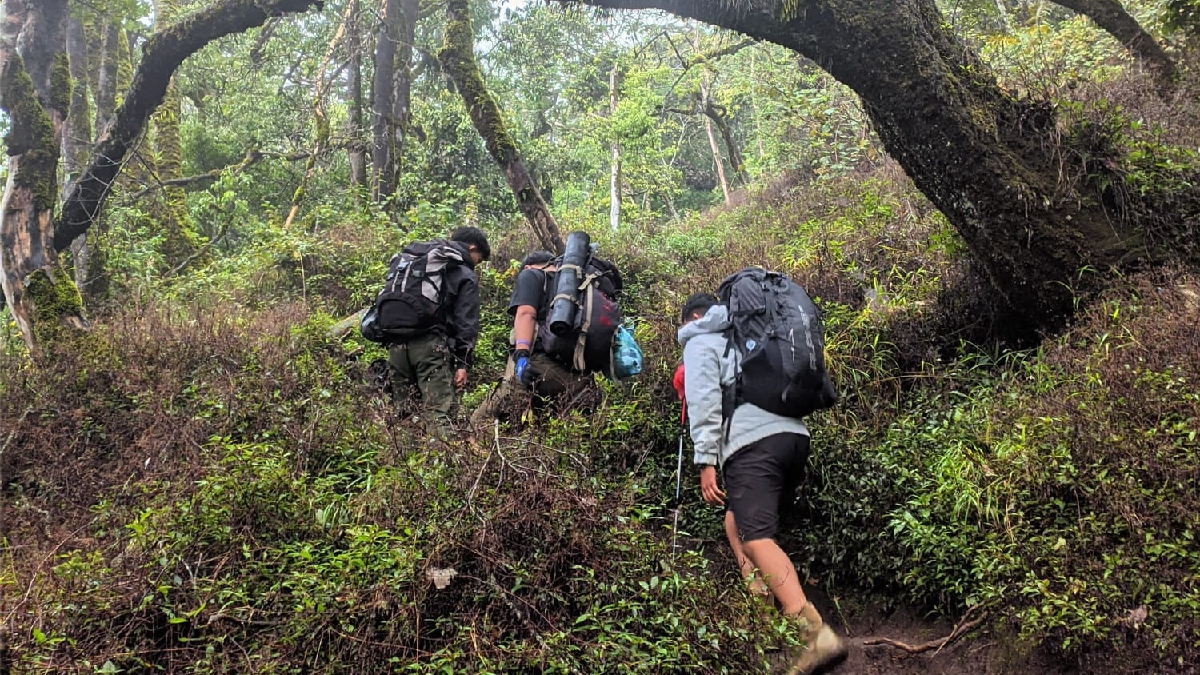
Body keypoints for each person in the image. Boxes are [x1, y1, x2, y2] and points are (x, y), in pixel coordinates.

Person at [678, 292, 847, 675]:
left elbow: (704, 399)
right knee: (737, 520)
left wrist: (705, 461)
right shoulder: (745, 334)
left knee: (757, 539)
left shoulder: (701, 339)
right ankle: (760, 615)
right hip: (792, 438)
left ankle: (811, 632)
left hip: (752, 444)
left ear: (696, 316)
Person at [469, 250, 593, 431]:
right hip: (579, 378)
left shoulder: (531, 274)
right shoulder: (576, 284)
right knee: (550, 431)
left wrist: (521, 356)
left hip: (537, 367)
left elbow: (526, 313)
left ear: (527, 267)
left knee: (481, 423)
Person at [388, 226, 490, 438]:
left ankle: (404, 466)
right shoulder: (463, 273)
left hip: (396, 345)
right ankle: (442, 467)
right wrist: (463, 363)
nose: (476, 265)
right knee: (438, 413)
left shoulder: (418, 262)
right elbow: (466, 322)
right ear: (472, 248)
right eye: (478, 259)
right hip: (430, 347)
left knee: (405, 413)